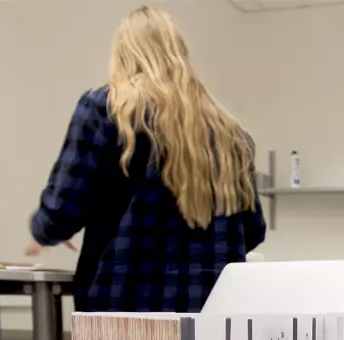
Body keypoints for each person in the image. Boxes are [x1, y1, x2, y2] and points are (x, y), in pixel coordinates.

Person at [26, 6, 265, 312]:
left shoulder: (105, 109)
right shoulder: (229, 132)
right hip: (210, 309)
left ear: (123, 54)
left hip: (122, 305)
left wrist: (44, 231)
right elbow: (252, 231)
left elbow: (65, 206)